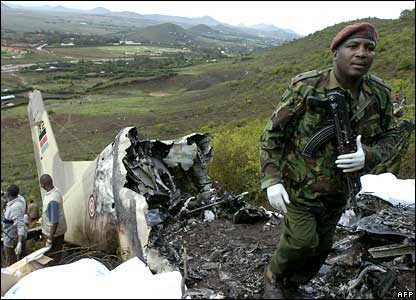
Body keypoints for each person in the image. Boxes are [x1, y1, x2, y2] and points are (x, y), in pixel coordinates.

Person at [259, 22, 407, 298]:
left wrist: (368, 156)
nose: (362, 53)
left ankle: (294, 283)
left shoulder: (379, 93)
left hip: (340, 190)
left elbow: (391, 135)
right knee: (302, 241)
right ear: (335, 53)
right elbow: (272, 136)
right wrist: (272, 180)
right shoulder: (307, 87)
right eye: (353, 46)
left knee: (322, 246)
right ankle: (274, 278)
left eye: (369, 48)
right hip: (300, 187)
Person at [40, 174, 67, 265]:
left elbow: (54, 221)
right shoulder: (56, 191)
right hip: (59, 232)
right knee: (57, 255)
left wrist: (49, 239)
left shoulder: (51, 200)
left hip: (52, 234)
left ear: (43, 185)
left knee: (50, 258)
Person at [2, 184, 27, 266]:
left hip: (12, 239)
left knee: (12, 262)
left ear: (9, 194)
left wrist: (19, 243)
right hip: (16, 236)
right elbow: (7, 197)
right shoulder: (20, 198)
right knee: (23, 260)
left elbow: (20, 226)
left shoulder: (15, 208)